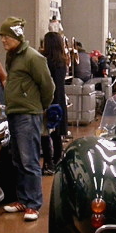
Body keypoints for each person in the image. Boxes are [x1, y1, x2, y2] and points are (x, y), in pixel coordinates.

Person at [0, 17, 55, 221]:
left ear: (16, 36)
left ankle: (33, 204)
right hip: (14, 113)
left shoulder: (33, 57)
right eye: (2, 36)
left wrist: (40, 107)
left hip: (28, 114)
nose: (3, 40)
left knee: (29, 159)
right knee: (18, 160)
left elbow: (48, 86)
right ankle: (23, 199)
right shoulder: (12, 56)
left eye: (6, 36)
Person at [40, 31, 69, 175]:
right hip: (60, 100)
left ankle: (48, 163)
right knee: (56, 134)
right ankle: (57, 161)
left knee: (45, 133)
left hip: (49, 100)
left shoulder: (45, 62)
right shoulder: (62, 62)